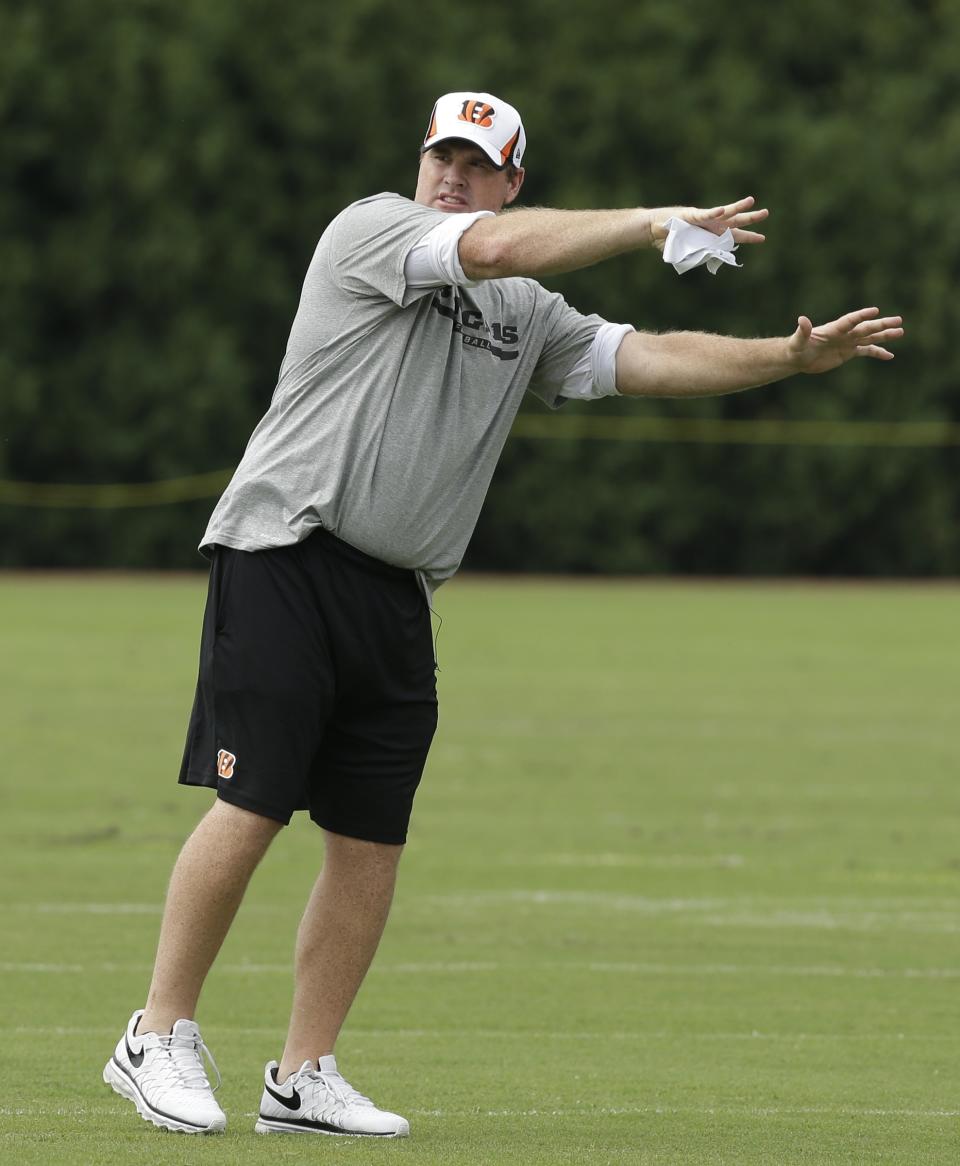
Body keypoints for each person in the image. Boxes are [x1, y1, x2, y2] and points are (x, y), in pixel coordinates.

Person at [102, 90, 903, 1139]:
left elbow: (641, 357)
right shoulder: (373, 228)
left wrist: (784, 359)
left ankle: (302, 1076)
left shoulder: (525, 312)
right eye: (444, 155)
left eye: (477, 164)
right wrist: (652, 221)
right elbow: (485, 248)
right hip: (286, 550)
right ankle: (155, 1033)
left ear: (512, 177)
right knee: (252, 805)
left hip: (397, 594)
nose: (453, 176)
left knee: (369, 841)